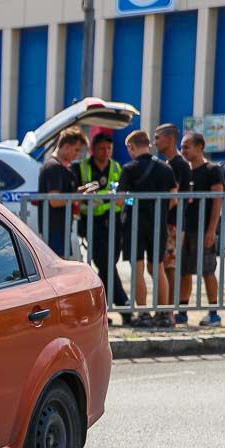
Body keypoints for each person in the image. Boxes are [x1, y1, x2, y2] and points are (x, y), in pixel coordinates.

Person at [117, 130, 177, 327]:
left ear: (131, 147)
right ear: (148, 145)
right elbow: (174, 199)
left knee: (138, 269)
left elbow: (120, 200)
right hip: (158, 223)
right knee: (158, 267)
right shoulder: (165, 169)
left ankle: (142, 313)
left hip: (135, 223)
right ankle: (163, 314)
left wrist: (134, 200)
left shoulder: (129, 169)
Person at [76, 131, 130, 318]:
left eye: (109, 148)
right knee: (104, 263)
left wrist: (109, 201)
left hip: (114, 222)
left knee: (109, 264)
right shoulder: (82, 167)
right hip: (92, 222)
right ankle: (123, 304)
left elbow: (124, 197)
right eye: (101, 149)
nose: (106, 152)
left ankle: (102, 310)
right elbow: (76, 194)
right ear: (93, 150)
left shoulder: (116, 167)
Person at [178, 132, 225, 327]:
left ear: (200, 147)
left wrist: (211, 230)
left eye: (187, 146)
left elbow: (217, 201)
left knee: (207, 270)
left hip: (204, 227)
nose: (184, 151)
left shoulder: (212, 170)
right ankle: (182, 310)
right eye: (182, 147)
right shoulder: (184, 171)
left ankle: (214, 312)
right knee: (185, 270)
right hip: (186, 228)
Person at [154, 123, 193, 323]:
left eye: (158, 137)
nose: (155, 141)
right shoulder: (170, 163)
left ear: (169, 139)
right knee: (165, 266)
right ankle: (165, 308)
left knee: (169, 267)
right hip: (171, 223)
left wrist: (156, 213)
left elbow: (174, 198)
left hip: (173, 224)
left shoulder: (177, 164)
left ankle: (167, 311)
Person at [37, 127, 86, 257]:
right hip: (55, 229)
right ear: (66, 146)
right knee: (58, 270)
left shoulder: (62, 168)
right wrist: (77, 196)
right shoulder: (54, 167)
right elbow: (55, 201)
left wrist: (79, 192)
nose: (76, 154)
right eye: (76, 150)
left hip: (60, 228)